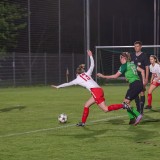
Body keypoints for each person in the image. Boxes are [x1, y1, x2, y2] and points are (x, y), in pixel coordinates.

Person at [51, 50, 131, 127]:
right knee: (86, 105)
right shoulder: (87, 73)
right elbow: (92, 65)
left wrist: (58, 86)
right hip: (99, 90)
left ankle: (123, 105)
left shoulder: (77, 79)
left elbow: (67, 84)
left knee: (105, 109)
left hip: (95, 91)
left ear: (76, 74)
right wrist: (91, 56)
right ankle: (82, 122)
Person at [97, 52, 145, 125]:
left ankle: (138, 115)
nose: (120, 59)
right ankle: (132, 119)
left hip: (134, 85)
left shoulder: (124, 65)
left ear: (124, 58)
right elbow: (142, 70)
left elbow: (115, 76)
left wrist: (103, 76)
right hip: (138, 84)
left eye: (120, 58)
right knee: (126, 102)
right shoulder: (132, 64)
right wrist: (143, 82)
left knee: (125, 103)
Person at [131, 41, 150, 113]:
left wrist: (146, 78)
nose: (136, 47)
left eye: (137, 46)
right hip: (134, 77)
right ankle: (138, 107)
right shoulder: (132, 55)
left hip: (142, 76)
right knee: (135, 93)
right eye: (135, 46)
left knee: (142, 92)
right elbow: (130, 66)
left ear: (141, 47)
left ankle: (141, 109)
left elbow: (147, 68)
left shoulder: (144, 55)